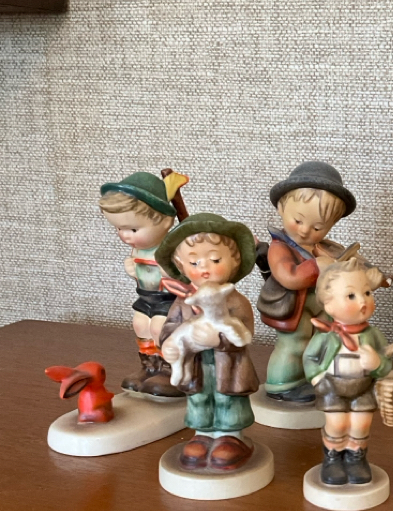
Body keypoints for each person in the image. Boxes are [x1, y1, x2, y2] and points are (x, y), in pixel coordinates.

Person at [156, 213, 260, 472]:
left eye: (215, 259)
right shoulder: (182, 303)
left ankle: (231, 436)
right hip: (197, 364)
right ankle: (202, 434)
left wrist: (219, 340)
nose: (205, 267)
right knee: (199, 397)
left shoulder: (235, 301)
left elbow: (245, 333)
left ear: (234, 261)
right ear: (181, 265)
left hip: (229, 365)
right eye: (194, 262)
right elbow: (170, 327)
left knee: (226, 399)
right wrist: (169, 345)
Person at [256, 162, 357, 405]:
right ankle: (282, 384)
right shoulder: (279, 247)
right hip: (294, 306)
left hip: (318, 305)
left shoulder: (323, 248)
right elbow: (288, 276)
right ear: (281, 208)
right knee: (294, 344)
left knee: (322, 342)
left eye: (318, 227)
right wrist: (316, 266)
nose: (304, 231)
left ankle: (311, 378)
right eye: (298, 220)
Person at [99, 170, 189, 395]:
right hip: (146, 296)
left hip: (170, 299)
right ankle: (149, 367)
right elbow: (143, 274)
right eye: (119, 229)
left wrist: (171, 271)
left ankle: (170, 371)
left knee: (160, 328)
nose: (126, 236)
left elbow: (190, 276)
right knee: (140, 324)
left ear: (166, 221)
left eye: (133, 229)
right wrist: (132, 270)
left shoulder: (173, 249)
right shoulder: (138, 249)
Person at [303, 258, 393, 485]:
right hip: (332, 388)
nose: (362, 301)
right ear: (329, 305)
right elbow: (309, 358)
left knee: (361, 425)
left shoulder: (373, 335)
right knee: (337, 424)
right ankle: (333, 458)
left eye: (367, 293)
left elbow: (387, 362)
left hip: (363, 388)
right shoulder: (326, 336)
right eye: (351, 295)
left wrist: (377, 364)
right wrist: (318, 379)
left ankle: (356, 458)